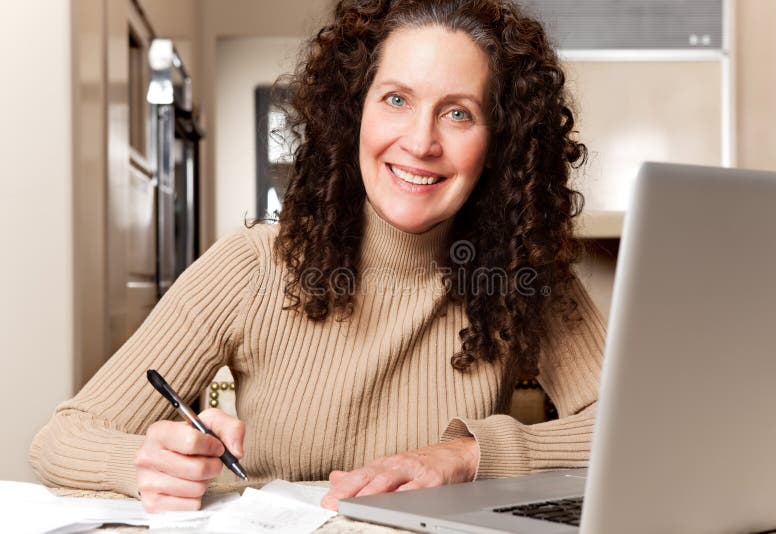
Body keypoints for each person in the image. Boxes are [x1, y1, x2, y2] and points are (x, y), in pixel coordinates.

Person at [30, 0, 605, 513]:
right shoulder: (253, 266)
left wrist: (468, 454)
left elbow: (642, 428)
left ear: (499, 141)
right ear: (353, 114)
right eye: (397, 99)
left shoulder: (521, 270)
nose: (421, 142)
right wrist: (146, 465)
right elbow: (61, 439)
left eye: (458, 113)